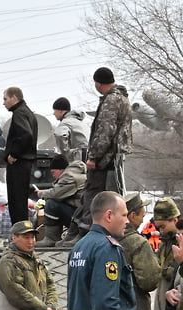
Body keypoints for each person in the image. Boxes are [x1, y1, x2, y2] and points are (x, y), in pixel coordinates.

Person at [72, 67, 132, 240]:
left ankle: (86, 233)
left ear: (98, 83)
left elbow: (105, 131)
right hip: (115, 158)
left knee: (93, 195)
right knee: (108, 197)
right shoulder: (123, 99)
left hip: (105, 159)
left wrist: (94, 157)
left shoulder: (111, 100)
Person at [2, 87, 37, 224]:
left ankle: (19, 230)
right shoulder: (27, 112)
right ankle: (22, 230)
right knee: (21, 199)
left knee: (17, 200)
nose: (4, 103)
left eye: (5, 99)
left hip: (19, 163)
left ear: (14, 98)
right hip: (26, 163)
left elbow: (26, 135)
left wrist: (14, 153)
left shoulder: (19, 113)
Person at [35, 156, 85, 246]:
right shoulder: (77, 173)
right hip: (83, 215)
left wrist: (41, 193)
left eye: (53, 172)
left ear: (59, 170)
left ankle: (51, 238)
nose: (53, 176)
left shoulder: (69, 176)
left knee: (51, 204)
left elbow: (56, 194)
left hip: (80, 217)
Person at [51, 97, 88, 163]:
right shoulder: (79, 122)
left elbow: (60, 135)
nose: (53, 113)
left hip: (76, 159)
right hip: (86, 157)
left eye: (55, 110)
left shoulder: (65, 122)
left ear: (60, 111)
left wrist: (65, 154)